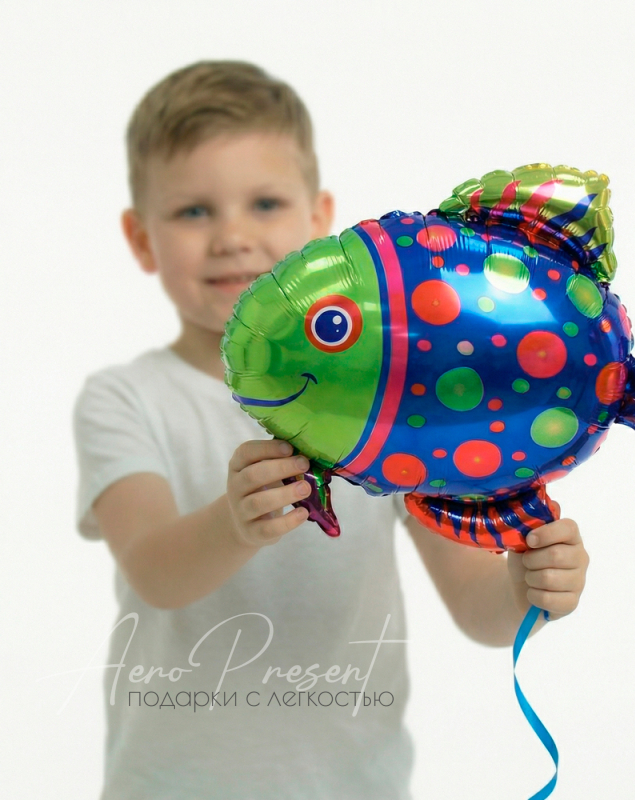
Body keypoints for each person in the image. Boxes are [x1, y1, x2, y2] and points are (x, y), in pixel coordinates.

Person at [73, 60, 590, 800]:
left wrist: (526, 588)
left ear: (319, 220)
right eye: (192, 211)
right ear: (140, 237)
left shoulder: (392, 399)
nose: (232, 237)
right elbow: (154, 572)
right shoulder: (125, 398)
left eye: (265, 203)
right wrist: (233, 526)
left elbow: (475, 607)